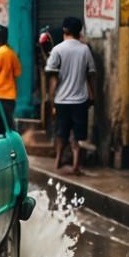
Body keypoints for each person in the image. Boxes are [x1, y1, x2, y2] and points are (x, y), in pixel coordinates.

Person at [45, 16, 95, 175]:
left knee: (61, 133)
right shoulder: (85, 49)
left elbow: (53, 78)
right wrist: (92, 94)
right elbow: (91, 74)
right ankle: (75, 164)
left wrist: (51, 98)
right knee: (77, 135)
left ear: (64, 30)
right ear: (79, 31)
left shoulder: (57, 50)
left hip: (61, 100)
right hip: (80, 100)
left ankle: (58, 158)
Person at [0, 24, 21, 130]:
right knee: (9, 123)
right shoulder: (12, 53)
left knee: (0, 125)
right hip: (10, 96)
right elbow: (17, 72)